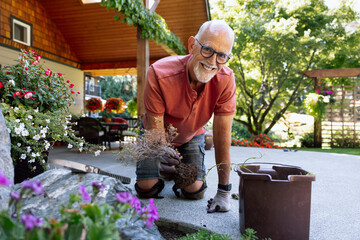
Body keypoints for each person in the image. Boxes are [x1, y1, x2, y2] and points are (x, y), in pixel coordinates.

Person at [135, 20, 236, 213]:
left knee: (194, 191)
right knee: (146, 189)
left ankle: (177, 174)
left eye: (222, 56)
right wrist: (163, 153)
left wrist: (224, 191)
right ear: (192, 45)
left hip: (192, 135)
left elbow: (222, 137)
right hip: (156, 133)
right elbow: (155, 130)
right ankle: (161, 175)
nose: (213, 62)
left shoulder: (226, 80)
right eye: (207, 50)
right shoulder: (158, 72)